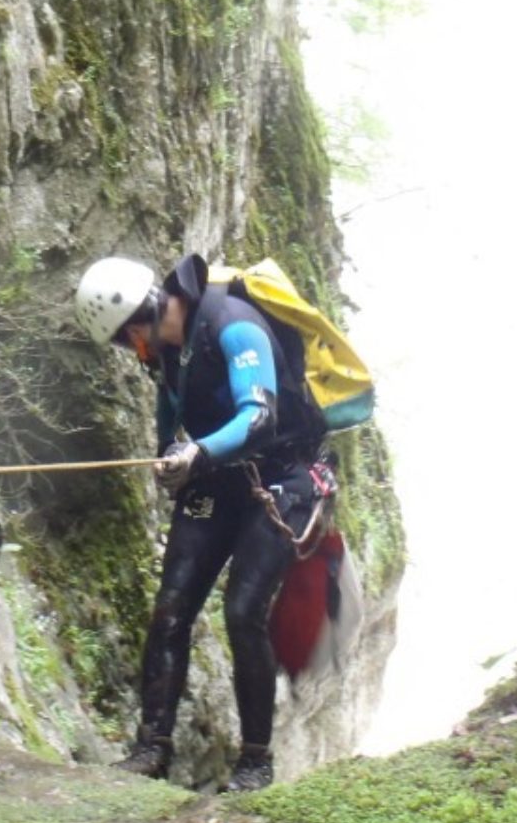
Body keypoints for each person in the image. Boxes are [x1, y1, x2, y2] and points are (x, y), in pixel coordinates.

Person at [75, 253, 335, 792]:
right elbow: (171, 414)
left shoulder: (232, 323)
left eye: (128, 339)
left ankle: (256, 761)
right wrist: (168, 456)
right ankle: (152, 748)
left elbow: (258, 416)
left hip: (284, 476)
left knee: (243, 611)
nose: (132, 351)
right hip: (217, 480)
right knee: (171, 606)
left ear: (143, 313)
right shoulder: (169, 352)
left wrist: (196, 454)